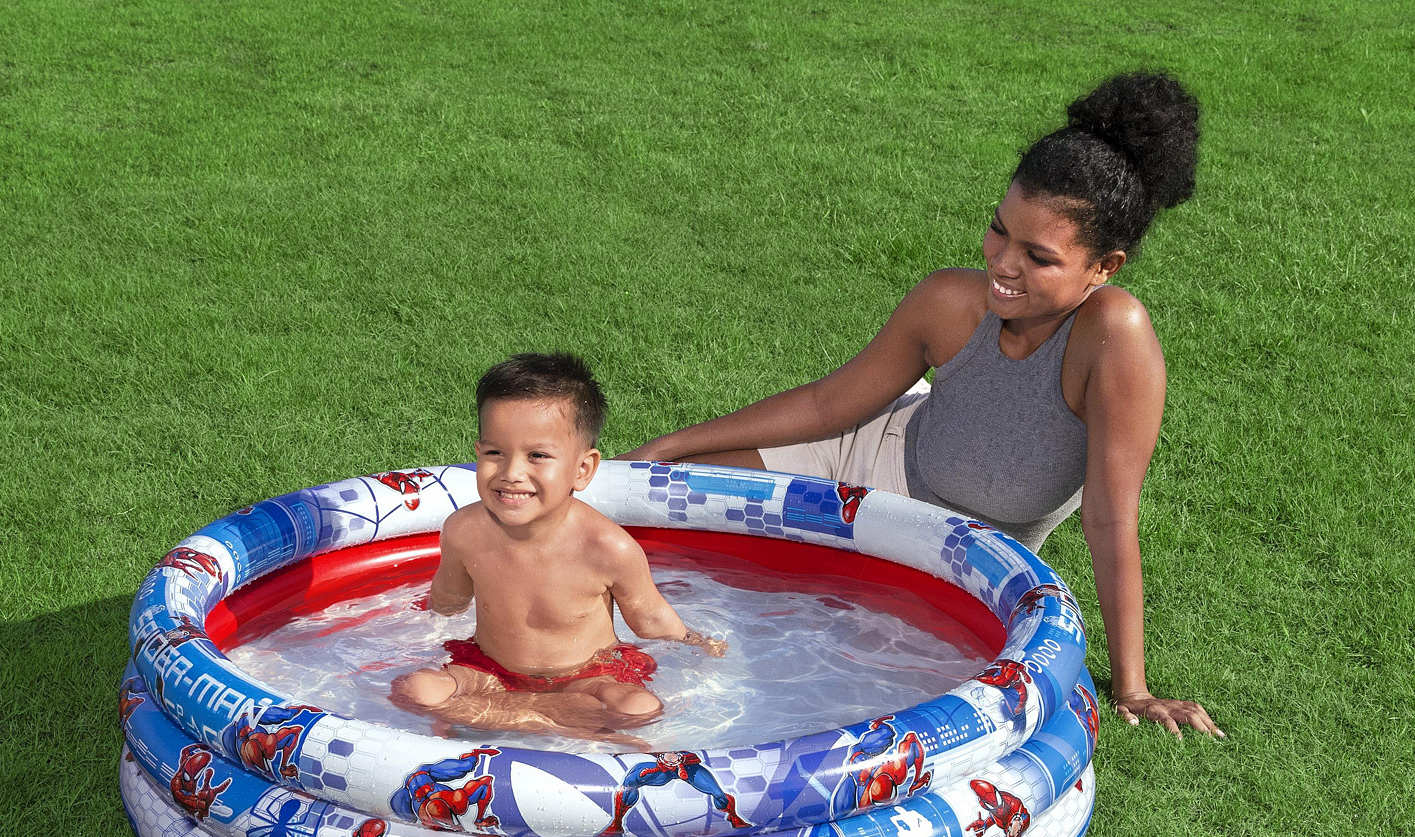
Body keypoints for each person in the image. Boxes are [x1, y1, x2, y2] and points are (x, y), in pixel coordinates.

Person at [623, 71, 1221, 739]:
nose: (1003, 264)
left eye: (1039, 256)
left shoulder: (1112, 339)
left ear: (1105, 267)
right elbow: (828, 405)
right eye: (999, 230)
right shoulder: (951, 302)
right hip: (860, 456)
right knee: (666, 516)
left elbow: (1110, 519)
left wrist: (1133, 688)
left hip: (957, 550)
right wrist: (672, 447)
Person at [392, 352, 725, 742]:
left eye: (537, 456)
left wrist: (696, 643)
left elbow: (649, 618)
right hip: (491, 672)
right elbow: (448, 599)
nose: (512, 473)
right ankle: (563, 720)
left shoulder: (607, 547)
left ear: (582, 469)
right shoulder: (464, 531)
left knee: (638, 708)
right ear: (479, 453)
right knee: (415, 689)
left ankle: (502, 718)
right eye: (496, 453)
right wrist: (408, 626)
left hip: (585, 678)